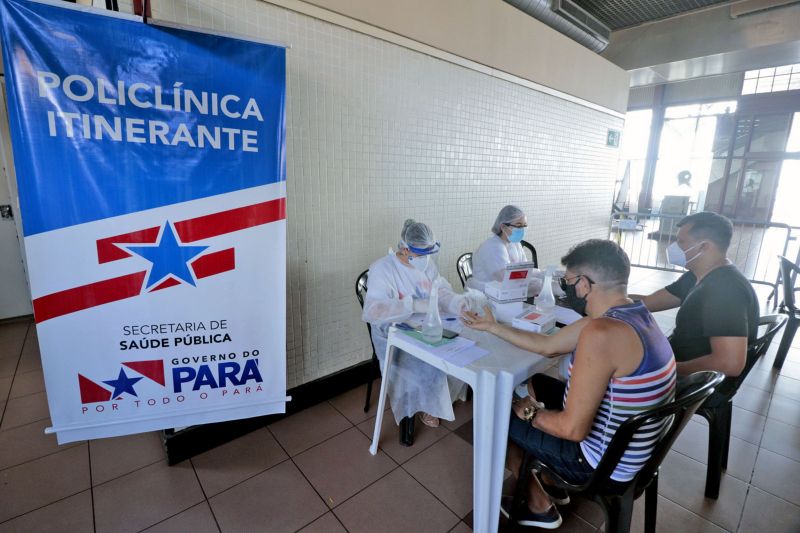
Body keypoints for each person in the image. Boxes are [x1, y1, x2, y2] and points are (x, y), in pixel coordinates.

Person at [462, 239, 676, 528]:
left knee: (495, 415)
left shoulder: (601, 334)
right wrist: (493, 326)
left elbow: (572, 429)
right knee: (536, 382)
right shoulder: (632, 313)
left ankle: (539, 505)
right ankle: (551, 479)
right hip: (635, 451)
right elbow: (549, 346)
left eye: (569, 281)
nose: (568, 288)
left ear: (585, 284)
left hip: (602, 466)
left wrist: (529, 412)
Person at [362, 219, 471, 430]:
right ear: (404, 248)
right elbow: (374, 311)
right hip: (392, 332)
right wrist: (412, 304)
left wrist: (456, 302)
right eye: (420, 254)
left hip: (423, 324)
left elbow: (439, 290)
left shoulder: (426, 264)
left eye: (428, 253)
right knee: (427, 358)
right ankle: (426, 403)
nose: (425, 259)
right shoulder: (383, 269)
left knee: (464, 340)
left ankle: (443, 394)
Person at [633, 211, 758, 383]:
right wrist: (607, 295)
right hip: (674, 360)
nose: (673, 247)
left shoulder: (726, 291)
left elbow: (730, 364)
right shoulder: (696, 275)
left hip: (694, 381)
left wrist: (668, 369)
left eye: (681, 242)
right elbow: (647, 303)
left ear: (704, 247)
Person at [468, 205, 540, 294]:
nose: (522, 229)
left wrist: (544, 274)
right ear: (503, 227)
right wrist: (538, 283)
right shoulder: (492, 247)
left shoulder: (515, 244)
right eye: (518, 225)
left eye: (525, 226)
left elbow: (525, 269)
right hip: (486, 298)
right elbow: (506, 279)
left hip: (505, 294)